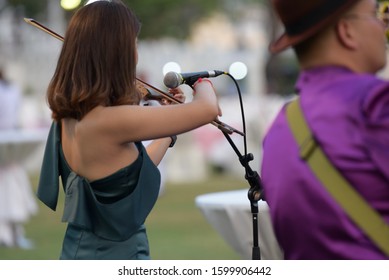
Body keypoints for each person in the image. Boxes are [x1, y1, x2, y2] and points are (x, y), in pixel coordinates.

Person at [37, 0, 221, 260]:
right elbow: (207, 109)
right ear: (117, 53)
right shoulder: (112, 121)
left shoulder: (68, 117)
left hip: (78, 251)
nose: (136, 54)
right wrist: (200, 80)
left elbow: (128, 174)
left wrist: (168, 133)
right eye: (133, 44)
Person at [261, 0, 389, 259]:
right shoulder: (375, 104)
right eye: (375, 14)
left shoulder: (280, 128)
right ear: (347, 31)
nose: (383, 25)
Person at [0, 68, 37, 249]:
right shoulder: (11, 90)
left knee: (11, 189)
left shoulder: (10, 90)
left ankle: (13, 233)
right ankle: (6, 233)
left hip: (9, 147)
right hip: (8, 146)